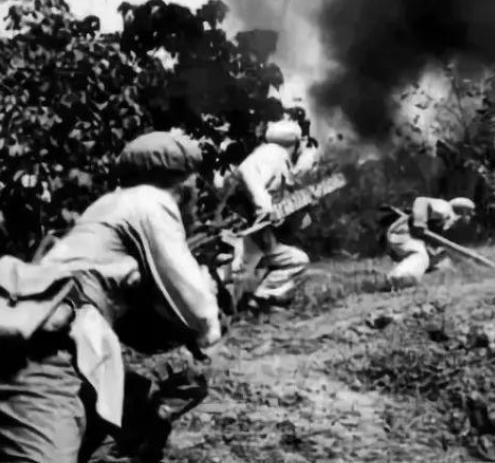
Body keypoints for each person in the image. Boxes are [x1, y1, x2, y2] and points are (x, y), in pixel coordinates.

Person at [0, 130, 223, 462]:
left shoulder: (106, 206)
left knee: (137, 414)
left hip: (58, 339)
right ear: (185, 186)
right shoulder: (152, 201)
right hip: (50, 352)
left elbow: (134, 321)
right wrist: (211, 299)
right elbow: (197, 310)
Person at [232, 119, 312, 312]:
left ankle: (261, 299)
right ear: (295, 143)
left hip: (256, 233)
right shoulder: (275, 156)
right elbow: (247, 173)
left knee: (297, 260)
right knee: (235, 278)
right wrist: (265, 209)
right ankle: (246, 305)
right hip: (244, 233)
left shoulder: (266, 154)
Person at [386, 196, 475, 288]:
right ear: (464, 212)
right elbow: (421, 201)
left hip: (412, 240)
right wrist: (420, 222)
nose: (472, 216)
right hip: (402, 233)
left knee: (444, 261)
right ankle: (397, 279)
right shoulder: (445, 208)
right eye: (470, 213)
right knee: (420, 256)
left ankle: (402, 277)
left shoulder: (449, 223)